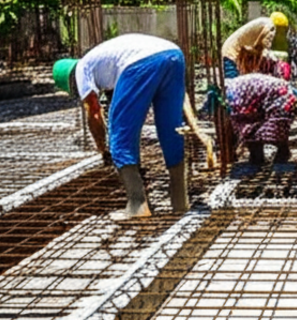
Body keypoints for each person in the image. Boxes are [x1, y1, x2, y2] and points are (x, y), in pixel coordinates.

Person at [53, 33, 196, 222]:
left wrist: (103, 148)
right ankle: (180, 203)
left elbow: (94, 112)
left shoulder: (81, 70)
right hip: (173, 54)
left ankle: (137, 205)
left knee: (119, 134)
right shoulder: (100, 61)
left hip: (141, 62)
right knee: (172, 129)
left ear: (68, 81)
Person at [223, 72, 297, 164]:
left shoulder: (232, 98)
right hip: (276, 95)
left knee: (267, 131)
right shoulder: (233, 89)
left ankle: (278, 154)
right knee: (254, 131)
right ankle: (265, 155)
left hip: (279, 99)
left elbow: (242, 120)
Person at [221, 12, 290, 79]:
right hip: (231, 53)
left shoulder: (263, 23)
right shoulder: (270, 27)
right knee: (233, 83)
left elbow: (256, 47)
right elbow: (265, 50)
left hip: (230, 48)